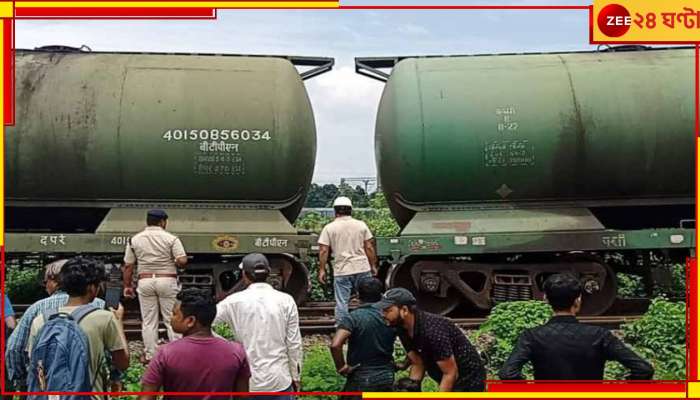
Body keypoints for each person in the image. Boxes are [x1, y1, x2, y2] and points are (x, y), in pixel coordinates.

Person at [499, 273, 654, 381]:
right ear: (578, 300)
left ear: (546, 300)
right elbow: (643, 369)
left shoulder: (532, 336)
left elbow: (507, 374)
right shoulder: (600, 335)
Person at [26, 257, 129, 396]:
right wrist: (118, 321)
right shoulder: (103, 318)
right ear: (92, 288)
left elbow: (34, 362)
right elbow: (122, 363)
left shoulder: (40, 320)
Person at [5, 259, 106, 390]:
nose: (45, 286)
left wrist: (22, 381)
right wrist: (114, 378)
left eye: (46, 282)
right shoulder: (100, 306)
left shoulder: (37, 308)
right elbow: (113, 354)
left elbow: (14, 348)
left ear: (56, 281)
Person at [214, 253, 302, 398]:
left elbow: (203, 323)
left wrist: (227, 344)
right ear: (268, 273)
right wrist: (296, 376)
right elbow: (294, 343)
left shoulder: (233, 302)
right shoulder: (286, 301)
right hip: (279, 380)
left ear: (244, 275)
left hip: (247, 382)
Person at [140, 287, 250, 399]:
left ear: (190, 321)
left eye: (174, 314)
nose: (171, 318)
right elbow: (242, 396)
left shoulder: (165, 353)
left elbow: (147, 397)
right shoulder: (236, 352)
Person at [377, 288, 486, 392]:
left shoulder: (432, 332)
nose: (383, 314)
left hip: (468, 379)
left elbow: (451, 373)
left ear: (404, 310)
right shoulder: (401, 327)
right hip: (444, 373)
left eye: (387, 310)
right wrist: (411, 389)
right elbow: (417, 362)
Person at [123, 208, 188, 363]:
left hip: (145, 281)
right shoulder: (171, 239)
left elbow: (128, 265)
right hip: (167, 280)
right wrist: (177, 262)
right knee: (171, 318)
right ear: (163, 222)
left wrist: (127, 286)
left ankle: (151, 355)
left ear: (147, 221)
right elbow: (182, 260)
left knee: (148, 321)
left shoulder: (135, 239)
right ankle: (177, 354)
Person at [330, 277, 396, 398]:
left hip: (360, 375)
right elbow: (414, 340)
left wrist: (342, 367)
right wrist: (404, 364)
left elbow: (335, 344)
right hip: (387, 374)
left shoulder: (353, 317)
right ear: (382, 295)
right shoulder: (390, 316)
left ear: (358, 295)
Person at [318, 196, 377, 324]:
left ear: (335, 211)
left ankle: (342, 328)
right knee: (367, 299)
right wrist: (373, 265)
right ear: (351, 210)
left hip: (342, 270)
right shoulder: (361, 225)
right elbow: (369, 247)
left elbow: (323, 250)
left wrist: (322, 269)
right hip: (362, 268)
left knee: (342, 302)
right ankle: (368, 323)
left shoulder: (329, 228)